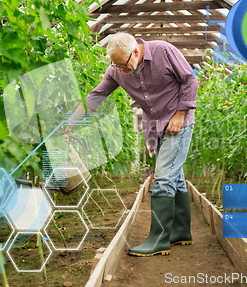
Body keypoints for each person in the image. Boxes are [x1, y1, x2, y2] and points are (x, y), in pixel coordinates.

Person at [63, 32, 198, 256]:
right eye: (114, 65)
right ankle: (181, 231)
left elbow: (189, 80)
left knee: (163, 177)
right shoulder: (117, 69)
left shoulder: (163, 51)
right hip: (155, 126)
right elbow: (95, 96)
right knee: (175, 175)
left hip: (177, 122)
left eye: (122, 65)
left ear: (135, 52)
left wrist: (180, 114)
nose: (119, 69)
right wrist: (69, 123)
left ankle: (159, 240)